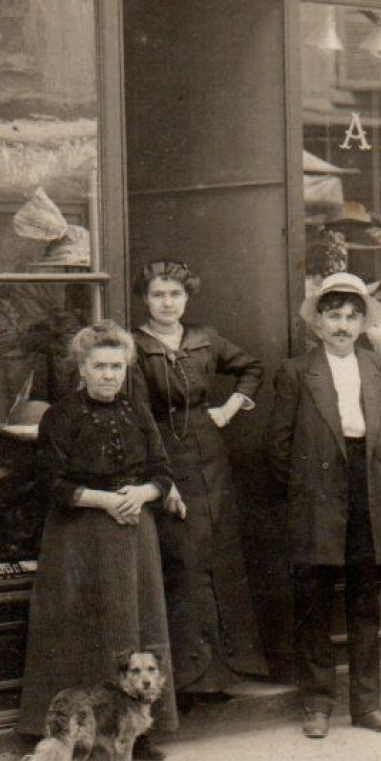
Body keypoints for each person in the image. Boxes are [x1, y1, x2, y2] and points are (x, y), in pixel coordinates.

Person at [16, 321, 185, 760]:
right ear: (82, 369)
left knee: (135, 626)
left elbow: (162, 471)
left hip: (134, 537)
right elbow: (50, 482)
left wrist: (144, 492)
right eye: (101, 366)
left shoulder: (137, 411)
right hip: (81, 537)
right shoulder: (62, 416)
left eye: (117, 366)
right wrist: (106, 500)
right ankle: (80, 737)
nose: (110, 375)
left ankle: (136, 735)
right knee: (85, 631)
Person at [267, 273, 381, 739]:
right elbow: (279, 447)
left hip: (367, 489)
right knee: (314, 603)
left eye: (353, 317)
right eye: (334, 316)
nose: (344, 325)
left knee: (365, 604)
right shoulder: (295, 372)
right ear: (319, 322)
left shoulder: (378, 368)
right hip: (317, 494)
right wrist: (305, 494)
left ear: (363, 323)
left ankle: (368, 705)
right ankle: (317, 703)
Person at [130, 260, 268, 707]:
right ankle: (188, 679)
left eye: (175, 295)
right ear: (145, 299)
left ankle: (224, 671)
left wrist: (229, 409)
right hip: (166, 458)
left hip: (212, 459)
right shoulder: (135, 347)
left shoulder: (204, 339)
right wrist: (161, 480)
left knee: (217, 555)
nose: (167, 303)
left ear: (186, 298)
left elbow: (251, 367)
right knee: (184, 563)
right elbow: (140, 418)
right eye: (158, 295)